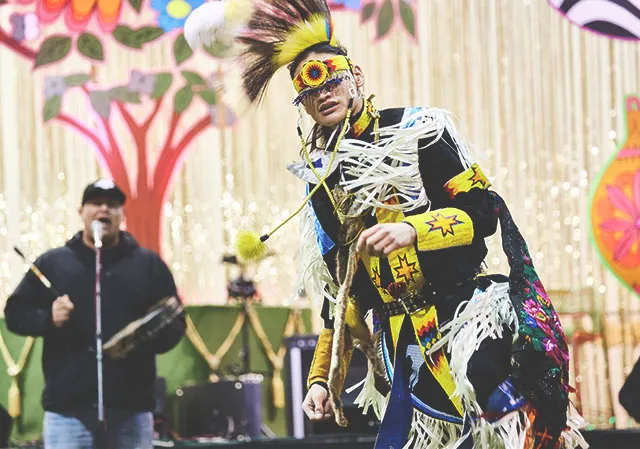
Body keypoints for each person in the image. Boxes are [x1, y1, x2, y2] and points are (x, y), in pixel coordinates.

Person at [185, 1, 586, 448]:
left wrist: (415, 230)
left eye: (330, 76)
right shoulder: (320, 180)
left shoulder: (419, 129)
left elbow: (483, 211)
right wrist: (323, 379)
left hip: (463, 316)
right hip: (401, 344)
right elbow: (340, 294)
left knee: (495, 399)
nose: (323, 93)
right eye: (308, 89)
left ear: (355, 75)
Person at [4, 179, 186, 449]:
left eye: (112, 205)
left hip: (131, 412)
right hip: (68, 413)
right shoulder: (53, 263)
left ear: (122, 215)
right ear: (81, 212)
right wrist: (48, 318)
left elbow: (175, 322)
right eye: (96, 203)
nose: (104, 210)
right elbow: (15, 314)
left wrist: (143, 336)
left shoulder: (147, 264)